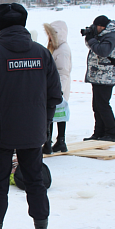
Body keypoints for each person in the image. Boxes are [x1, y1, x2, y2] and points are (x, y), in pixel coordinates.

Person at [0, 3, 62, 229]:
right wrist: (43, 124)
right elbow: (55, 95)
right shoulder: (41, 53)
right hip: (33, 130)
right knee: (35, 182)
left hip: (1, 130)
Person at [83, 15, 115, 142]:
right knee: (97, 106)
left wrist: (92, 40)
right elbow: (95, 48)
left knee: (103, 105)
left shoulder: (112, 36)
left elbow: (103, 51)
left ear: (102, 26)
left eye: (96, 27)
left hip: (106, 77)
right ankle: (99, 133)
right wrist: (91, 38)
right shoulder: (104, 35)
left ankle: (111, 133)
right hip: (99, 76)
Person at [43, 20, 72, 153]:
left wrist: (59, 90)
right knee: (55, 114)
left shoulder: (62, 50)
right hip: (54, 86)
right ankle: (53, 141)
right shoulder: (54, 48)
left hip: (58, 87)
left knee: (56, 113)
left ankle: (57, 141)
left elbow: (63, 71)